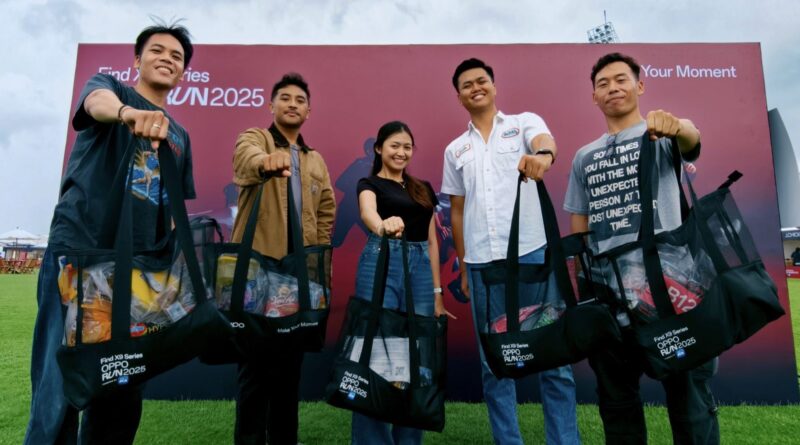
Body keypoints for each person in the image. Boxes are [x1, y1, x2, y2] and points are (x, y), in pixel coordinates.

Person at [25, 22, 195, 444]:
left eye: (176, 56)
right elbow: (96, 103)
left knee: (122, 387)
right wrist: (127, 114)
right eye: (157, 50)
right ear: (137, 60)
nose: (167, 59)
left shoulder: (180, 136)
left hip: (136, 273)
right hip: (79, 253)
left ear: (183, 73)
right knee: (58, 387)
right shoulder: (110, 90)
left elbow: (173, 208)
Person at [563, 52, 719, 444]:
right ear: (594, 97)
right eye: (603, 84)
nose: (612, 88)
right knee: (617, 404)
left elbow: (692, 138)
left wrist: (677, 125)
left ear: (640, 86)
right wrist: (584, 285)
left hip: (670, 293)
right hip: (608, 297)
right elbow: (580, 222)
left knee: (690, 402)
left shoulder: (662, 135)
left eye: (621, 79)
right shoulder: (583, 156)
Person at [441, 58, 581, 445]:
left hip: (533, 253)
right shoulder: (456, 149)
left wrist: (543, 157)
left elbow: (544, 142)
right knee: (495, 363)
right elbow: (456, 210)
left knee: (553, 357)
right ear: (459, 96)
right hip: (481, 265)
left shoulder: (522, 123)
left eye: (481, 81)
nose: (475, 88)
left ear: (493, 86)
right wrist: (463, 265)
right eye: (467, 85)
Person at [231, 72, 335, 445]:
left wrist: (316, 263)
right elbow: (245, 159)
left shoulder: (314, 159)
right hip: (258, 274)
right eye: (285, 98)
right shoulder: (254, 138)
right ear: (271, 105)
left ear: (309, 111)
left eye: (300, 100)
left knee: (290, 371)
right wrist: (266, 162)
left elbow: (326, 211)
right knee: (254, 371)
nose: (293, 104)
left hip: (298, 278)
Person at [352, 120, 454, 445]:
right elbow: (368, 212)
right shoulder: (369, 183)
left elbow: (433, 241)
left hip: (421, 266)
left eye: (407, 147)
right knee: (374, 350)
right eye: (394, 145)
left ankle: (409, 439)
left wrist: (437, 293)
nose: (401, 152)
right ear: (379, 148)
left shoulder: (422, 188)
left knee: (417, 355)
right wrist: (383, 226)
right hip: (381, 260)